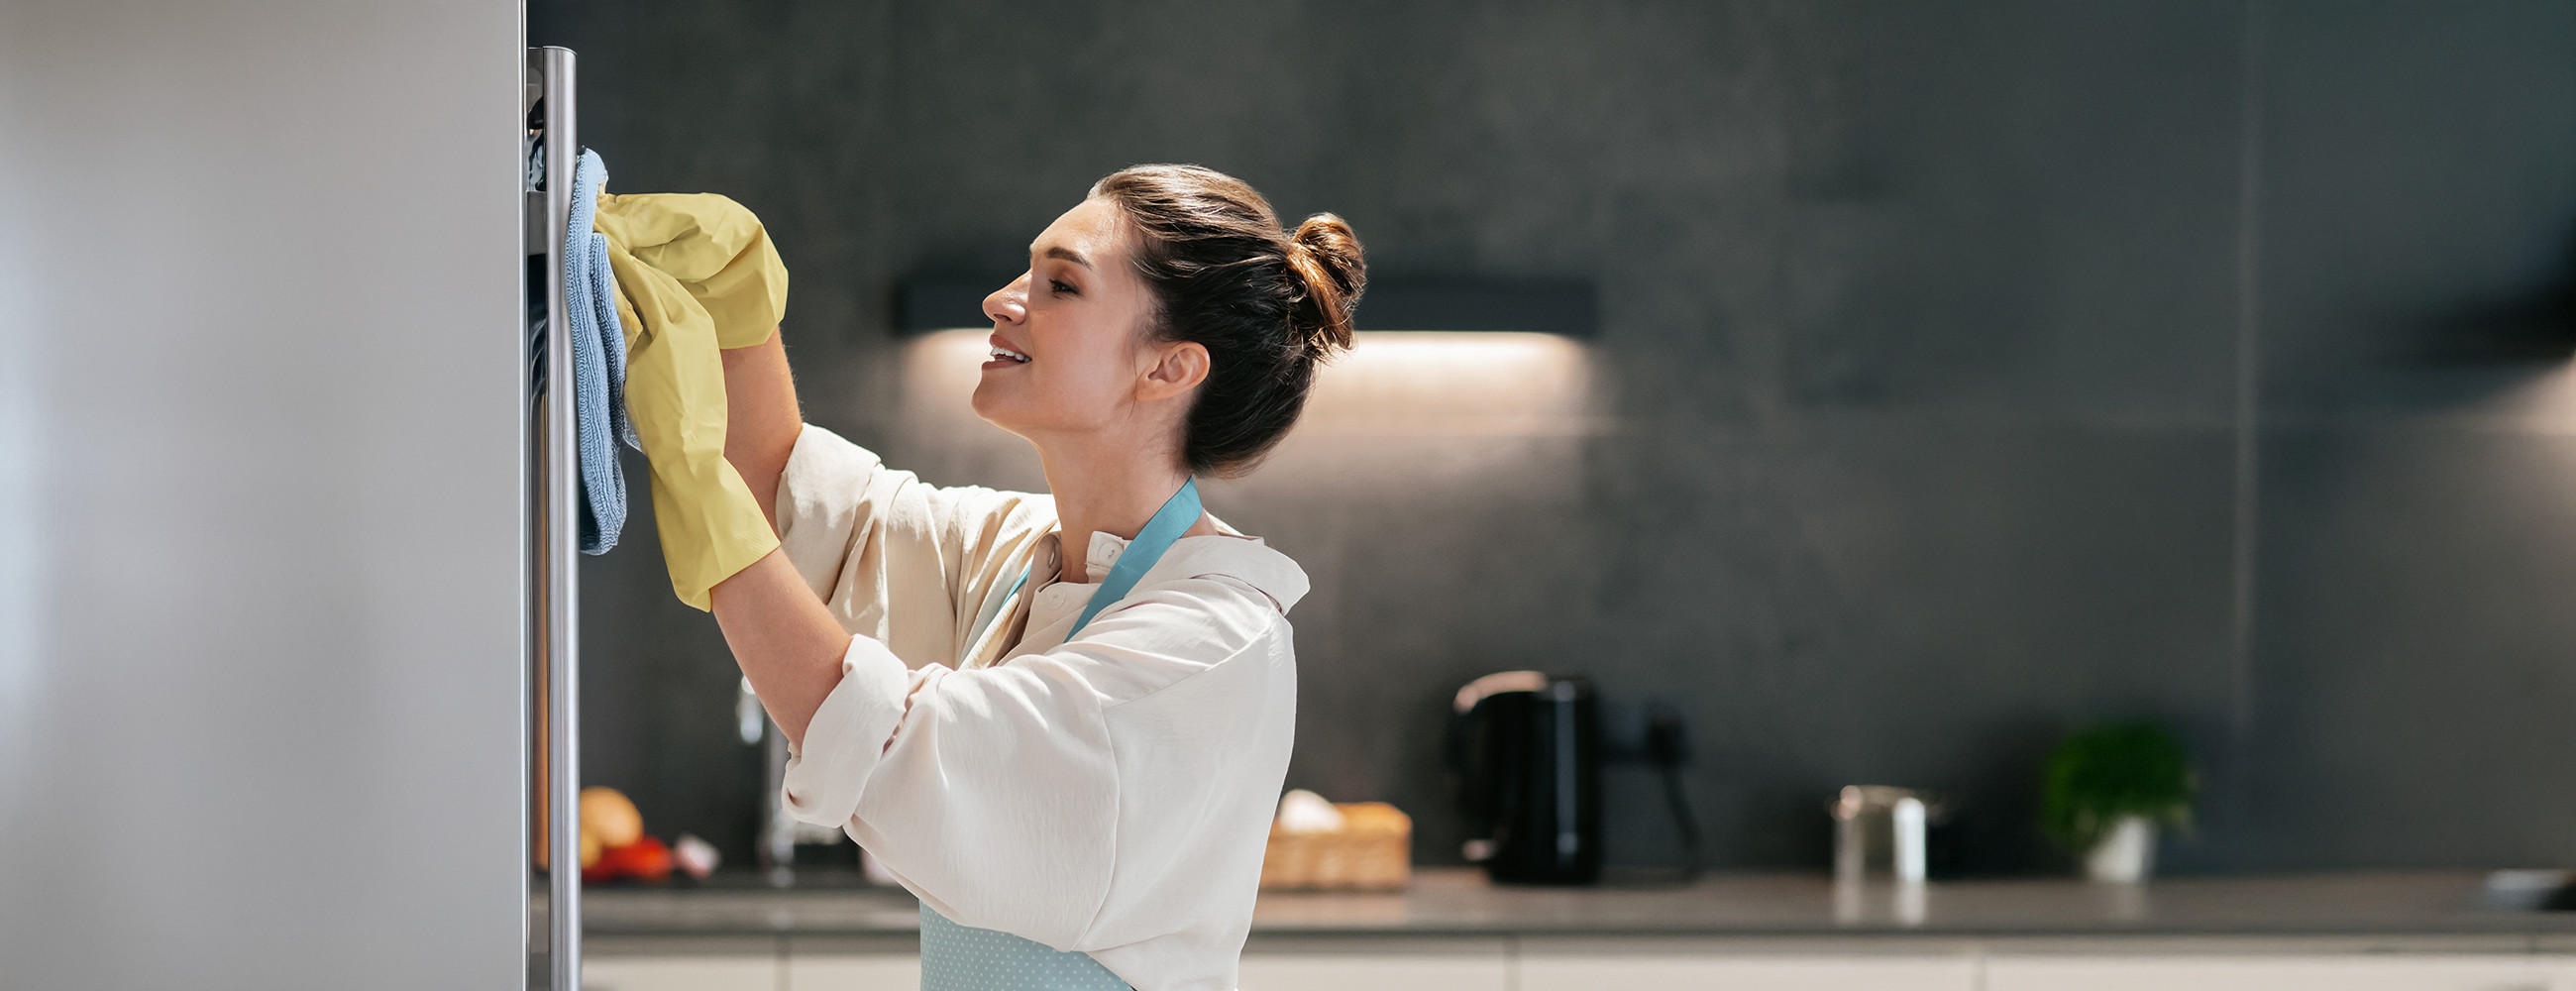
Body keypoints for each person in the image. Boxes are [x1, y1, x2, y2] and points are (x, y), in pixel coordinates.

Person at [709, 164, 1364, 990]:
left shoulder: (1212, 641)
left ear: (1168, 369)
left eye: (1061, 284)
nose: (1003, 299)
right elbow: (815, 515)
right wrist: (732, 306)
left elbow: (909, 750)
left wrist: (719, 532)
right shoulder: (1026, 556)